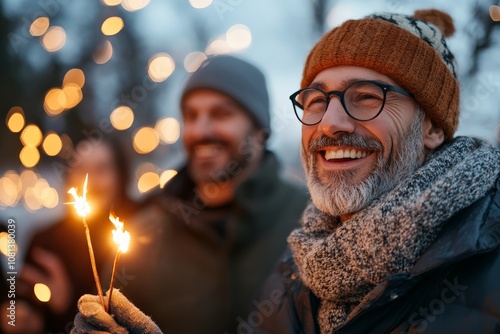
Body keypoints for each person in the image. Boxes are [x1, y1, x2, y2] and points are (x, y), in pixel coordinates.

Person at [250, 8, 500, 334]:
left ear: (433, 127)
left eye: (367, 96)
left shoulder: (486, 254)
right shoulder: (293, 267)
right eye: (316, 101)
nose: (330, 123)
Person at [71, 55, 309, 334]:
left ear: (260, 131)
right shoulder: (143, 233)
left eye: (221, 114)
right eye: (191, 115)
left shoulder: (309, 219)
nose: (200, 130)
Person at [0, 137, 137, 334]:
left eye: (101, 169)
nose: (90, 181)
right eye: (81, 169)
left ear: (120, 175)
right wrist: (20, 314)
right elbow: (23, 307)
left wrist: (68, 305)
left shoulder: (141, 234)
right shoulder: (45, 242)